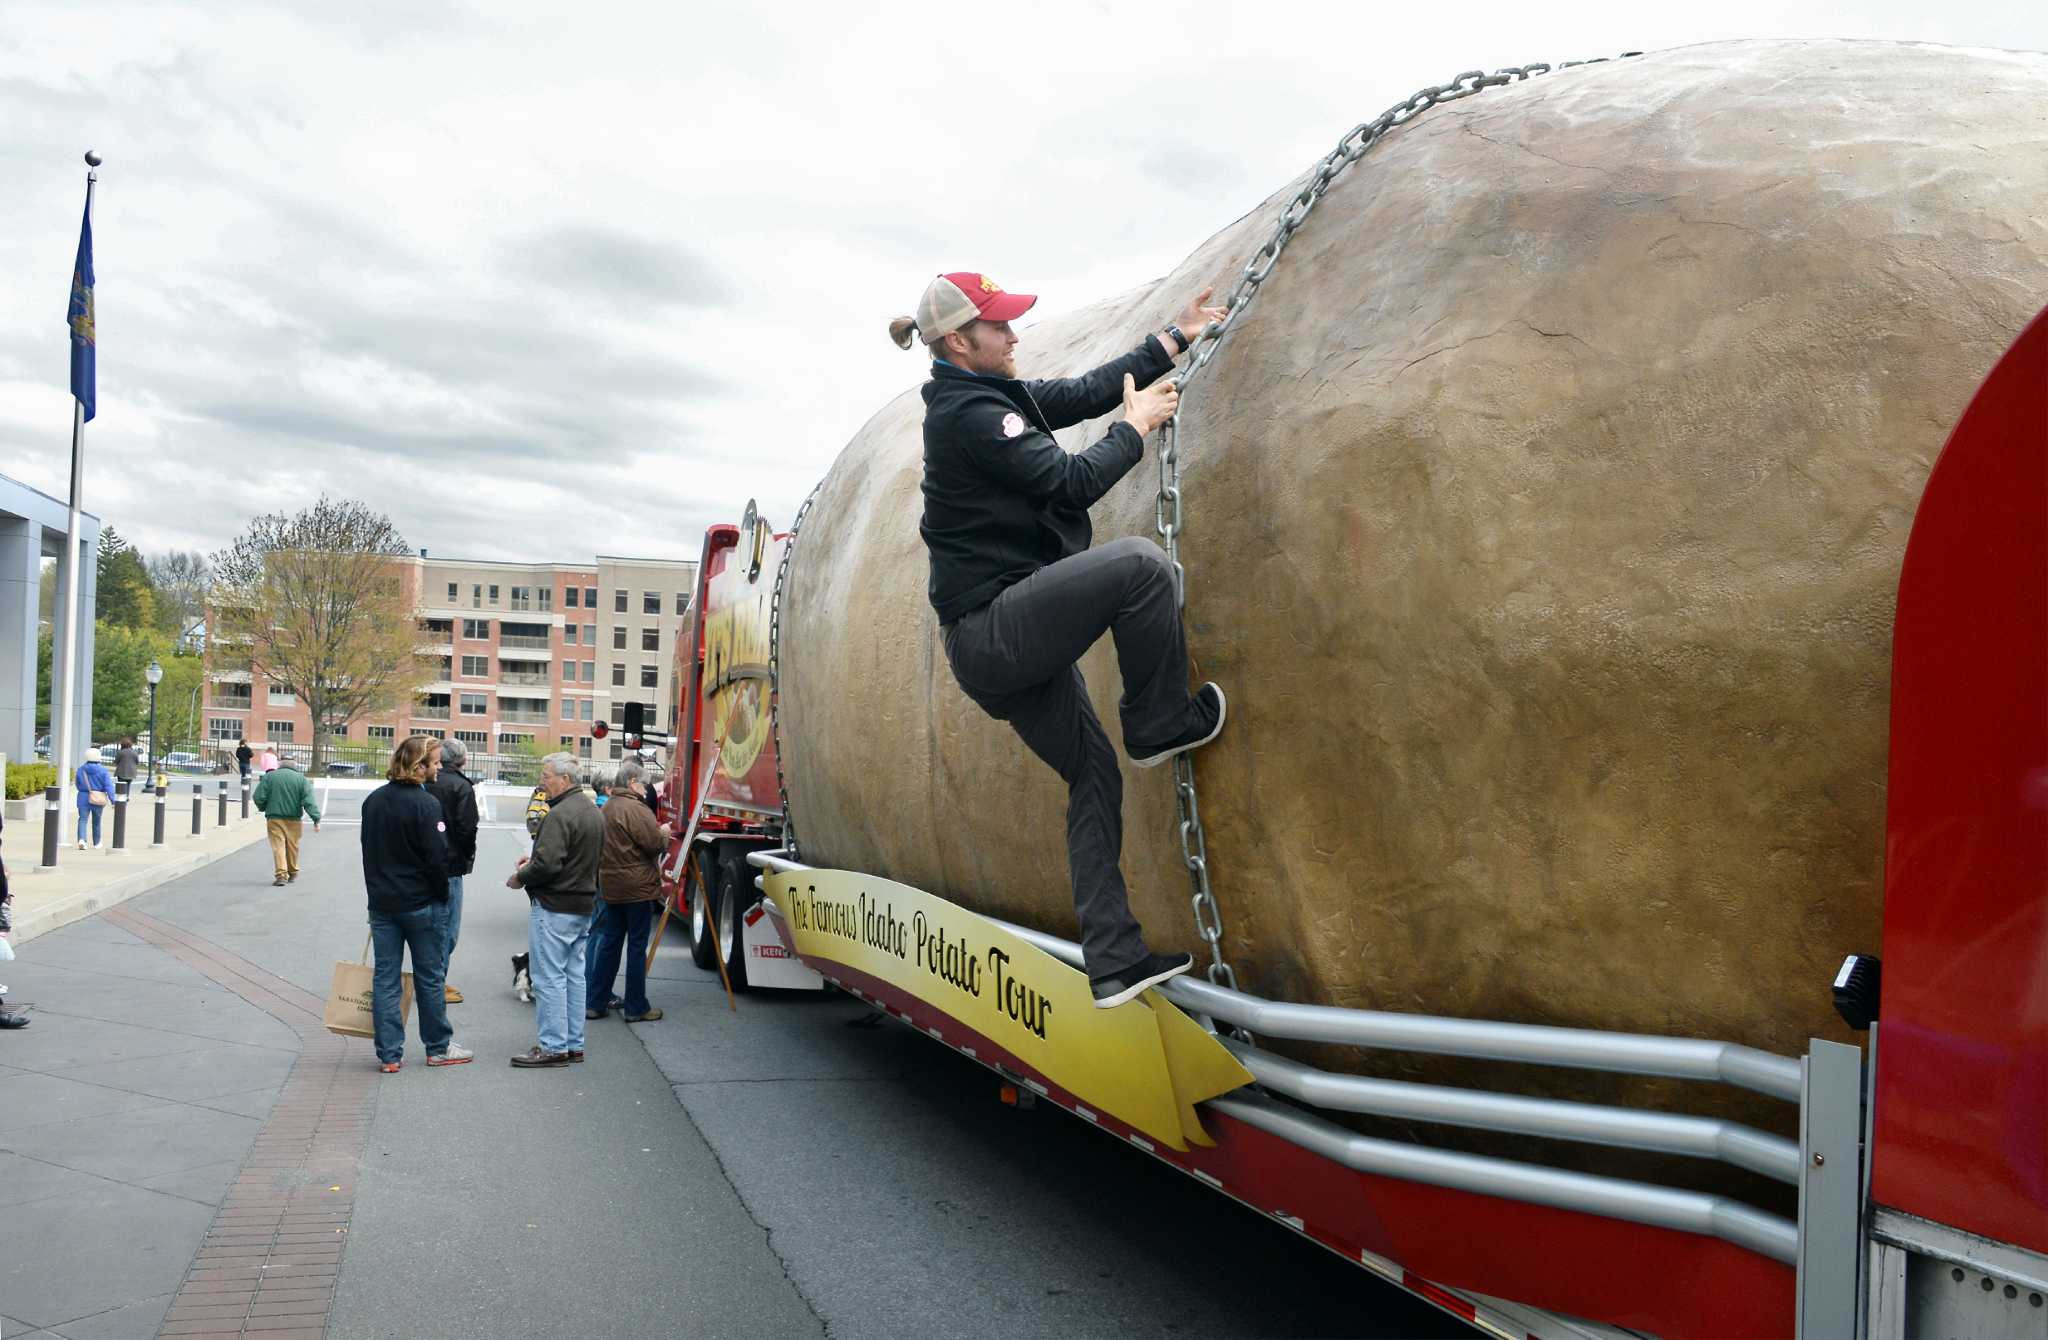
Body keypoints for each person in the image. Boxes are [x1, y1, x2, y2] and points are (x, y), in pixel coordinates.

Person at [894, 271, 1231, 1009]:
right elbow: (1073, 483)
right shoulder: (970, 417)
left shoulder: (988, 397)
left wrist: (1172, 339)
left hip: (1000, 643)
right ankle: (1157, 722)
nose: (1015, 335)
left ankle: (1113, 959)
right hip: (995, 631)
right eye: (1001, 326)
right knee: (1141, 567)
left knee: (1093, 775)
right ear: (959, 340)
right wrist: (1135, 428)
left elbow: (1081, 393)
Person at [361, 735, 471, 1072]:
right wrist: (441, 896)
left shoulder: (374, 801)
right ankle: (437, 1047)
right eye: (435, 762)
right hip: (422, 904)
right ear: (419, 765)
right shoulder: (426, 805)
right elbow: (437, 860)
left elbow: (369, 853)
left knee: (386, 978)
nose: (439, 768)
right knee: (430, 976)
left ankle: (390, 1054)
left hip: (383, 903)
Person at [506, 753, 601, 1067]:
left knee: (548, 978)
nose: (541, 781)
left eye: (546, 776)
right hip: (583, 903)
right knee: (574, 976)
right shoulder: (592, 811)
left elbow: (548, 864)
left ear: (566, 779)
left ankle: (553, 1047)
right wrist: (534, 861)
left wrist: (521, 877)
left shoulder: (559, 814)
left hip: (555, 904)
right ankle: (573, 1044)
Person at [586, 760, 674, 1024]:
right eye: (645, 783)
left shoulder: (608, 806)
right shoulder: (637, 809)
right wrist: (664, 834)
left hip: (611, 884)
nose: (646, 788)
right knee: (636, 947)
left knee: (610, 944)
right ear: (633, 782)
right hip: (637, 887)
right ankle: (636, 1007)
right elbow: (652, 844)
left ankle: (595, 1002)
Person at [426, 736, 479, 1005]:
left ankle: (428, 979)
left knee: (427, 925)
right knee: (448, 929)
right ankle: (436, 982)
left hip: (423, 864)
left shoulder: (426, 782)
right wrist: (466, 855)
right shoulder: (461, 786)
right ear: (463, 760)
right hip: (451, 864)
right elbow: (467, 828)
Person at [252, 758, 322, 886]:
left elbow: (258, 796)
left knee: (278, 846)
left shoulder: (270, 777)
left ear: (280, 765)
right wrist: (316, 819)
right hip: (294, 819)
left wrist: (263, 807)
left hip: (274, 818)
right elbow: (309, 801)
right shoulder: (301, 779)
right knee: (292, 846)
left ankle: (281, 875)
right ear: (294, 766)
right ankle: (293, 872)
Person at [74, 749, 113, 851]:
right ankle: (97, 843)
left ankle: (82, 840)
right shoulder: (103, 771)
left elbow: (77, 784)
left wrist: (83, 790)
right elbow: (109, 786)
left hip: (83, 796)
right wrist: (113, 800)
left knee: (82, 819)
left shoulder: (81, 769)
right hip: (98, 798)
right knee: (96, 821)